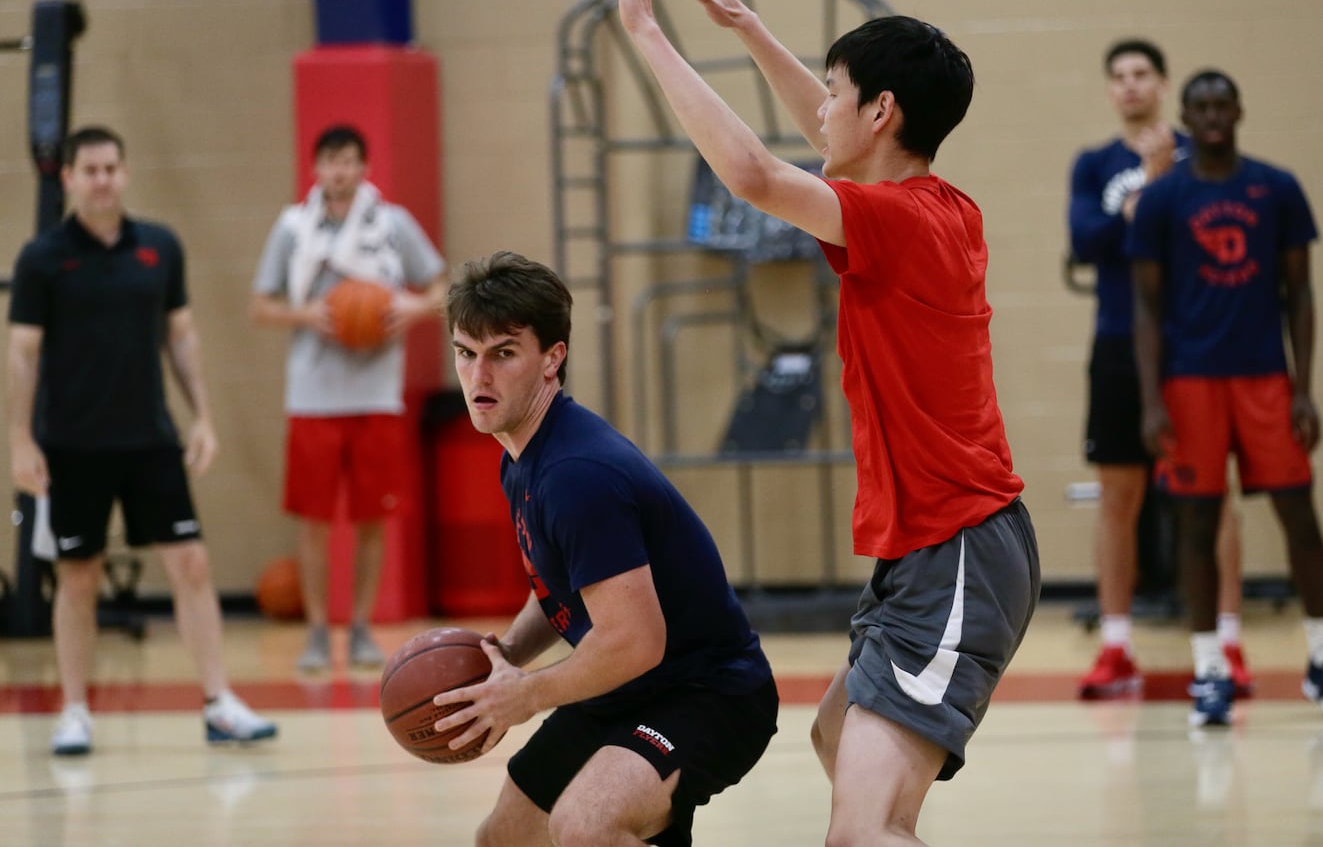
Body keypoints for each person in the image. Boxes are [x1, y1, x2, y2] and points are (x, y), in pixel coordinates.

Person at [617, 0, 1040, 846]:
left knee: (862, 832)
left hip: (957, 545)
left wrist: (648, 34)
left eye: (836, 91)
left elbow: (755, 176)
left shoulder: (894, 221)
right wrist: (751, 30)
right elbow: (837, 134)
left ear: (882, 110)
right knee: (836, 736)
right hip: (938, 548)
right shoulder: (933, 205)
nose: (819, 107)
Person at [430, 251, 779, 847]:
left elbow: (634, 640)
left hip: (707, 694)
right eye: (466, 353)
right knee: (503, 839)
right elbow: (562, 587)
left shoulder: (577, 474)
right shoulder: (522, 454)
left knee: (588, 826)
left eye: (503, 353)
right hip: (624, 687)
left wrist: (530, 694)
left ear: (552, 358)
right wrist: (511, 654)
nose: (478, 378)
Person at [6, 125, 278, 755]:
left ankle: (219, 703)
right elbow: (23, 356)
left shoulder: (159, 247)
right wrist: (20, 440)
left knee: (192, 563)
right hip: (71, 445)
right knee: (78, 577)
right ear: (68, 178)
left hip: (149, 440)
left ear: (125, 173)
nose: (102, 179)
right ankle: (74, 710)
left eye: (111, 168)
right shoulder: (42, 258)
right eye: (90, 170)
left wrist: (203, 416)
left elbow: (180, 337)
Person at [1128, 69, 1323, 727]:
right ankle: (1209, 670)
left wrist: (1304, 388)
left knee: (1300, 517)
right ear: (1186, 113)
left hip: (1265, 378)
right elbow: (1145, 312)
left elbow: (1303, 296)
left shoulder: (1277, 188)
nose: (1210, 115)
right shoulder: (1161, 199)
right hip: (1190, 383)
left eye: (1220, 104)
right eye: (1199, 106)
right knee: (1197, 526)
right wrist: (1150, 401)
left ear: (1238, 110)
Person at [1069, 39, 1253, 699]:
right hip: (1119, 344)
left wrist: (1153, 193)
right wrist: (1147, 188)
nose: (1129, 85)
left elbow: (1194, 238)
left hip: (1191, 348)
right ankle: (1116, 647)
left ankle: (1228, 641)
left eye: (1141, 73)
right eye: (1117, 75)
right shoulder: (1095, 164)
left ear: (1164, 83)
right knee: (1119, 497)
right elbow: (1087, 241)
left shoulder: (1199, 157)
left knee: (1212, 496)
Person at [249, 124, 447, 672]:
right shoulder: (292, 228)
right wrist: (307, 314)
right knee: (313, 521)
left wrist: (409, 308)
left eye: (349, 161)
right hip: (313, 396)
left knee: (371, 521)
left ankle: (359, 627)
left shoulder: (392, 225)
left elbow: (439, 291)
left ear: (364, 168)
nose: (339, 170)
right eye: (330, 160)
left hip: (376, 394)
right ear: (315, 167)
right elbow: (260, 307)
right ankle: (317, 631)